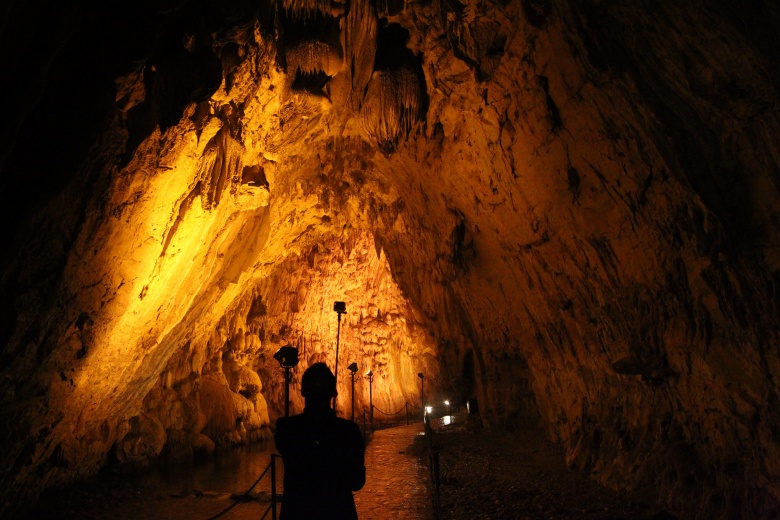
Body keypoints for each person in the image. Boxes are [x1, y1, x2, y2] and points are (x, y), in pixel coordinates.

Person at [274, 362, 366, 519]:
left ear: (303, 392)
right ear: (334, 393)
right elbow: (357, 482)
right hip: (338, 512)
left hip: (297, 512)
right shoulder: (348, 432)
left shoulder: (286, 429)